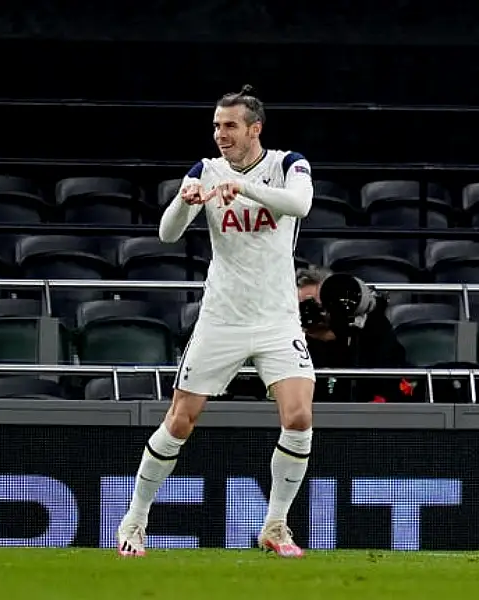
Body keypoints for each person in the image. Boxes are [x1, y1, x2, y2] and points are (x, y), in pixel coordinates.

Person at [116, 85, 315, 558]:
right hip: (221, 317)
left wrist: (243, 186)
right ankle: (133, 521)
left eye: (229, 126)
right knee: (180, 420)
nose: (220, 135)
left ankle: (275, 525)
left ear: (254, 129)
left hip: (277, 317)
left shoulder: (288, 165)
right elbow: (166, 235)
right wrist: (186, 200)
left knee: (300, 416)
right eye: (216, 126)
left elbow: (301, 205)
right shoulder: (205, 170)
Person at [297, 267, 416, 403]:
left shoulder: (370, 330)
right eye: (301, 305)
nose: (307, 311)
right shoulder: (294, 341)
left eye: (312, 303)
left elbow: (390, 379)